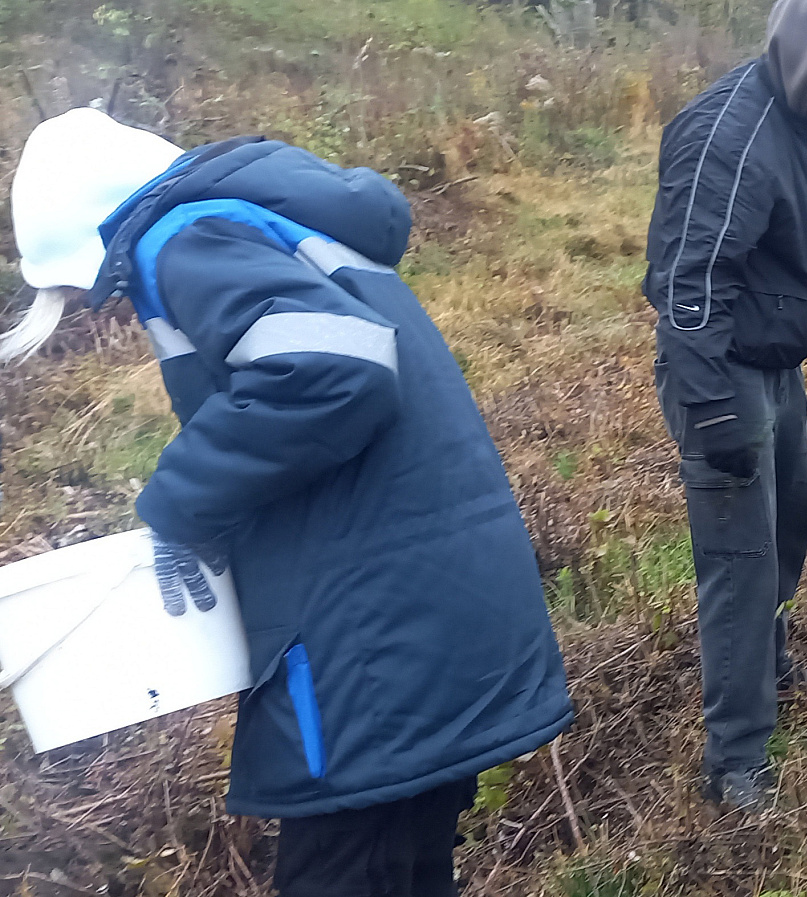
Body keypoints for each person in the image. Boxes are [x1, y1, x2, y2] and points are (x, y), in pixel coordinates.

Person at [6, 108, 574, 896]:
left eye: (95, 289)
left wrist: (179, 503)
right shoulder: (267, 221)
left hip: (372, 645)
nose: (106, 308)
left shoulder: (181, 237)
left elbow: (330, 369)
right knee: (406, 865)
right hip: (427, 609)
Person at [643, 0, 807, 812]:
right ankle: (736, 757)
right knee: (741, 561)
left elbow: (806, 265)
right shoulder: (726, 138)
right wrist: (712, 410)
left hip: (775, 364)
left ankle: (772, 660)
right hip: (721, 373)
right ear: (802, 53)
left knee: (790, 520)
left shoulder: (804, 125)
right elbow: (687, 285)